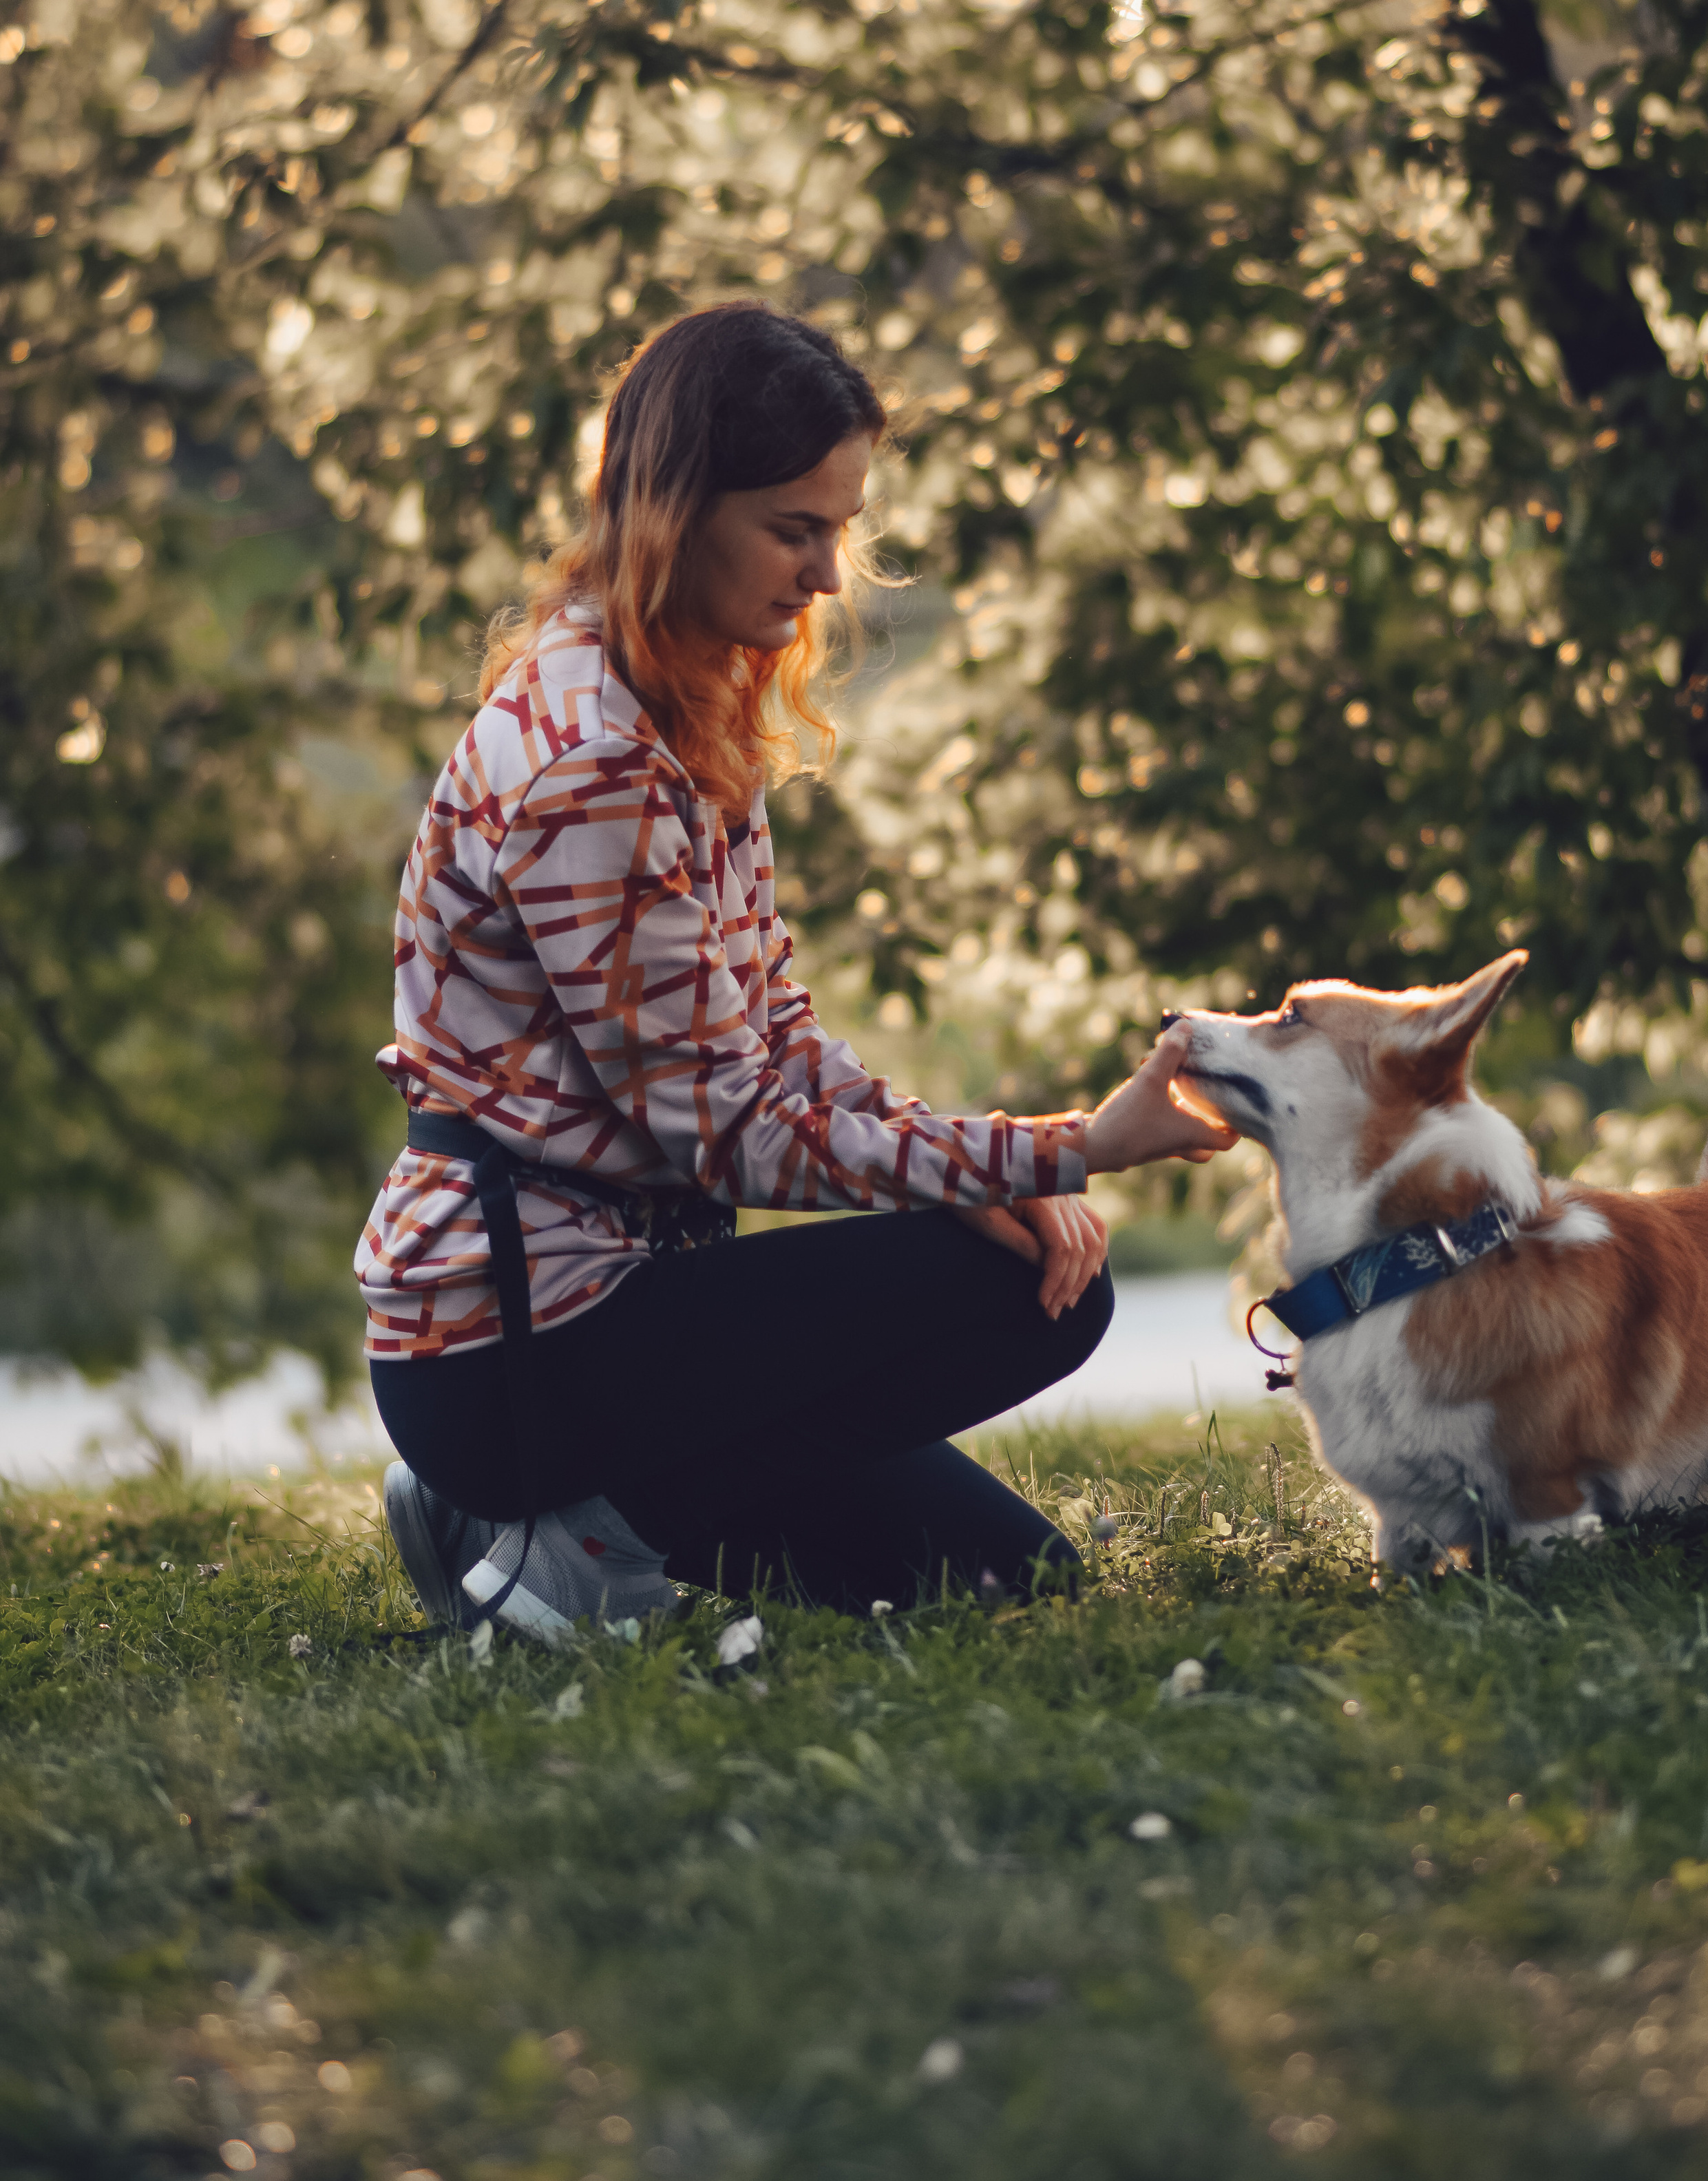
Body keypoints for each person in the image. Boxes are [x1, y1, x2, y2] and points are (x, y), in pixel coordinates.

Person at [361, 303, 1234, 1640]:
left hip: (633, 1320)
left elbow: (776, 1046)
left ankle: (555, 1523)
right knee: (1031, 1284)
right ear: (672, 510)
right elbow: (726, 1133)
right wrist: (1055, 1153)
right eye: (793, 528)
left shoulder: (687, 707)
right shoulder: (589, 761)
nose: (828, 573)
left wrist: (966, 1164)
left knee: (1014, 1582)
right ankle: (546, 1518)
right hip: (518, 1349)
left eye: (840, 526)